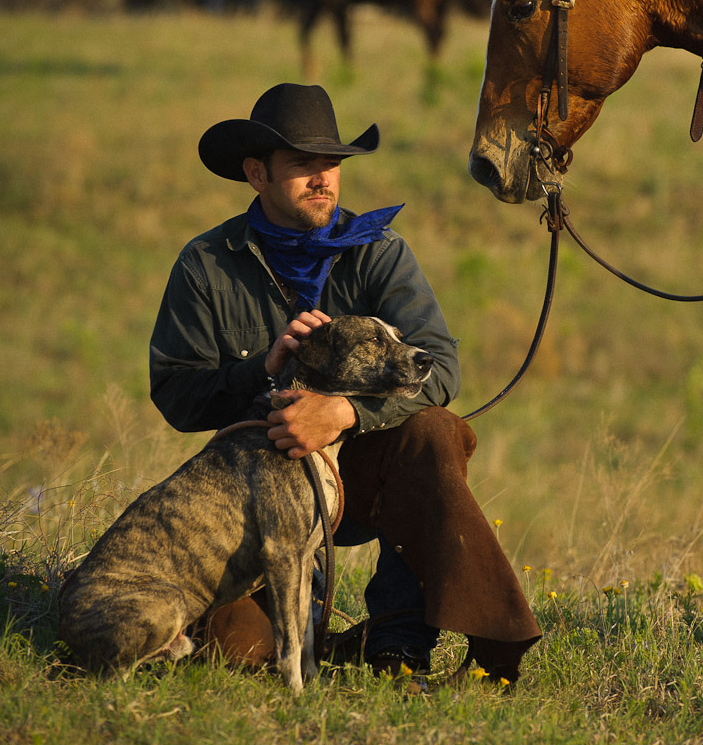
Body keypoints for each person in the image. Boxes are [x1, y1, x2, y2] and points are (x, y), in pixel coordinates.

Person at [149, 82, 540, 683]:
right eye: (302, 165)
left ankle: (402, 643)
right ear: (257, 173)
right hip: (256, 492)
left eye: (331, 164)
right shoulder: (207, 263)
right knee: (239, 658)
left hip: (365, 476)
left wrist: (344, 413)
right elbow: (176, 394)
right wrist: (263, 371)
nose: (322, 179)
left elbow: (441, 366)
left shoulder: (379, 252)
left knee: (435, 431)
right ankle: (298, 635)